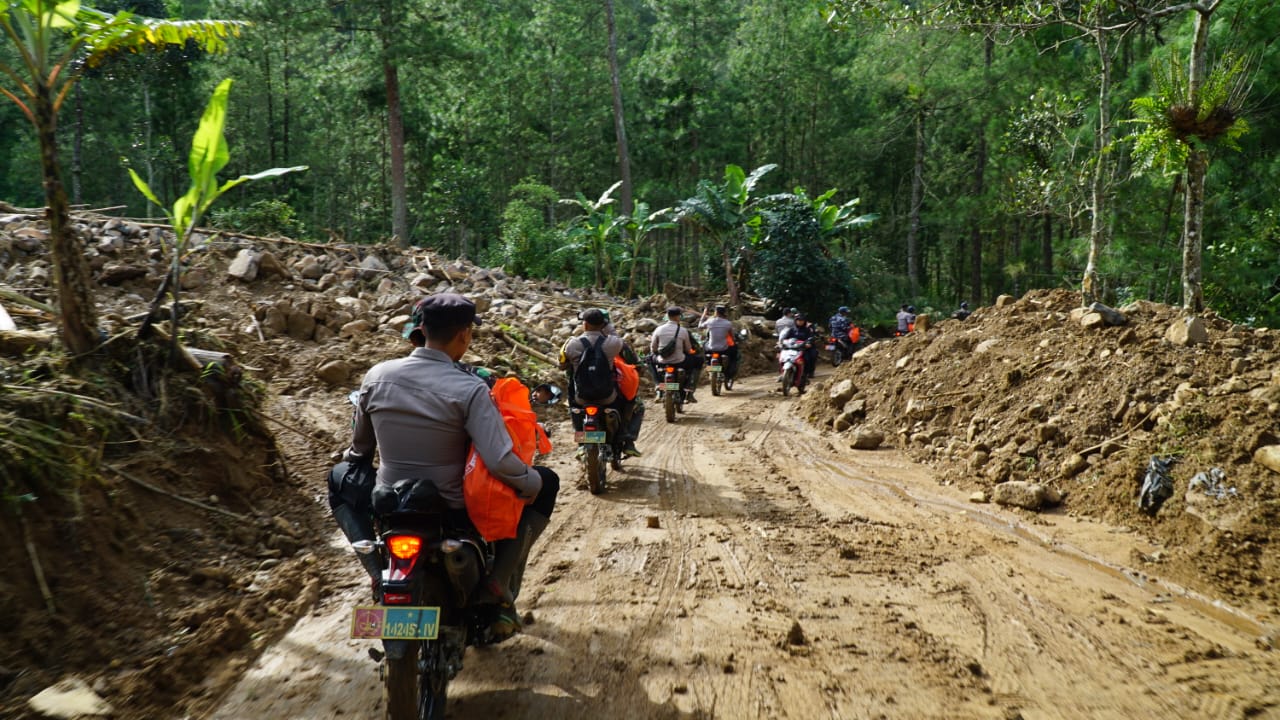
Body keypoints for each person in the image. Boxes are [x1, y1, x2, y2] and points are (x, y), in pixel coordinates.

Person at [344, 292, 559, 641]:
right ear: (464, 335)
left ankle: (374, 570)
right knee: (545, 482)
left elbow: (360, 451)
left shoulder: (376, 375)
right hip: (453, 510)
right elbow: (500, 462)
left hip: (387, 502)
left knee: (340, 477)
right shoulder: (470, 387)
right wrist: (531, 482)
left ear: (420, 329)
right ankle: (496, 585)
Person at [559, 308, 642, 458]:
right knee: (635, 405)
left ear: (584, 324)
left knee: (573, 407)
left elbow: (562, 365)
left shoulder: (571, 344)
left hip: (581, 397)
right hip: (608, 396)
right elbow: (631, 358)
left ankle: (581, 444)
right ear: (603, 325)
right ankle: (626, 439)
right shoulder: (614, 343)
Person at [649, 306, 702, 403]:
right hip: (680, 361)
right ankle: (689, 389)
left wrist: (657, 354)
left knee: (649, 359)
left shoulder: (658, 329)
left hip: (662, 361)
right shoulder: (683, 331)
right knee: (698, 361)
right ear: (678, 317)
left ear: (667, 316)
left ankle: (658, 384)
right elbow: (688, 349)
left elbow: (653, 348)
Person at [698, 304, 739, 381]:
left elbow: (699, 326)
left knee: (704, 345)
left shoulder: (710, 321)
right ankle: (730, 373)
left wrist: (704, 313)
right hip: (723, 348)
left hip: (710, 348)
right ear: (724, 313)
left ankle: (708, 365)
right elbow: (732, 337)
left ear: (715, 312)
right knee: (734, 354)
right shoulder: (728, 323)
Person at [781, 312, 819, 380]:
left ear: (804, 321)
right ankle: (782, 373)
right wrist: (782, 342)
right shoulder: (791, 329)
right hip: (792, 348)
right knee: (782, 357)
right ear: (795, 321)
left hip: (803, 348)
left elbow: (811, 337)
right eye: (798, 320)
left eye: (801, 320)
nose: (800, 322)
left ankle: (808, 372)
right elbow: (785, 338)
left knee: (811, 356)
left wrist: (809, 343)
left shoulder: (807, 330)